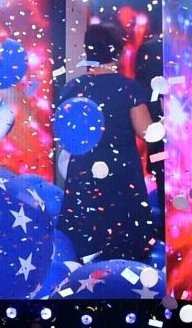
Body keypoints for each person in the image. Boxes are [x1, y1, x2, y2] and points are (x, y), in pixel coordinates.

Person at [55, 19, 160, 261]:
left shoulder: (72, 89)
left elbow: (65, 137)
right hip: (121, 178)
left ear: (87, 51)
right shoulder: (128, 88)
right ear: (120, 51)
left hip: (83, 177)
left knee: (83, 253)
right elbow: (147, 132)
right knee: (127, 255)